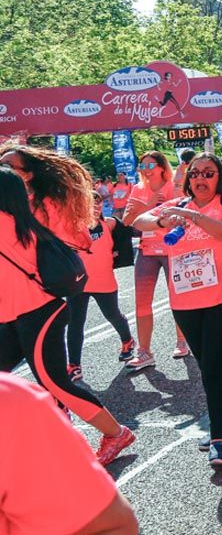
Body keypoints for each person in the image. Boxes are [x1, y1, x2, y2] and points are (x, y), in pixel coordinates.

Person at [0, 166, 135, 466]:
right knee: (46, 382)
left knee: (56, 381)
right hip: (11, 316)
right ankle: (56, 428)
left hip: (37, 313)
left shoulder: (10, 223)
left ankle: (116, 433)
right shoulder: (24, 221)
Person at [132, 152, 222, 466]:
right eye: (196, 173)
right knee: (207, 367)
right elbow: (137, 221)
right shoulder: (179, 206)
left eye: (209, 173)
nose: (201, 178)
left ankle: (216, 437)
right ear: (188, 179)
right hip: (185, 301)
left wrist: (194, 218)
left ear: (219, 177)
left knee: (213, 366)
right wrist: (163, 219)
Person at [0, 371, 139, 534]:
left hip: (16, 406)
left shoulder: (10, 402)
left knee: (53, 381)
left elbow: (113, 527)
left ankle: (116, 433)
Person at [122, 150, 189, 368]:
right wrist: (149, 204)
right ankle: (144, 351)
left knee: (177, 297)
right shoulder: (138, 189)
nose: (145, 170)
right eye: (142, 166)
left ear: (162, 168)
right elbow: (127, 220)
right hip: (146, 250)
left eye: (150, 166)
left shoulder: (174, 186)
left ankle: (182, 340)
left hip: (172, 249)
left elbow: (180, 212)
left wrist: (150, 210)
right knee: (141, 301)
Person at [67, 191, 135, 381]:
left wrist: (117, 254)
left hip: (104, 281)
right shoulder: (70, 227)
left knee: (112, 315)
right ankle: (74, 365)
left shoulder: (110, 224)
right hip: (78, 283)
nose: (95, 207)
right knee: (75, 323)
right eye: (90, 204)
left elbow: (129, 232)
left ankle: (127, 341)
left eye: (98, 204)